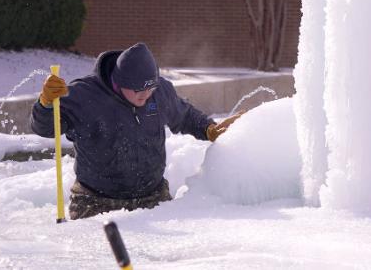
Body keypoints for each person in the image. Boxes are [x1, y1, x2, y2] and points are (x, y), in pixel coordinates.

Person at [31, 42, 240, 219]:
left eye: (150, 88)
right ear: (119, 83)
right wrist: (46, 105)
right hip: (95, 203)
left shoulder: (160, 92)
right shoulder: (84, 95)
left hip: (153, 198)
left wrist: (208, 129)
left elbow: (184, 115)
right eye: (138, 90)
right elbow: (46, 128)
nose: (146, 95)